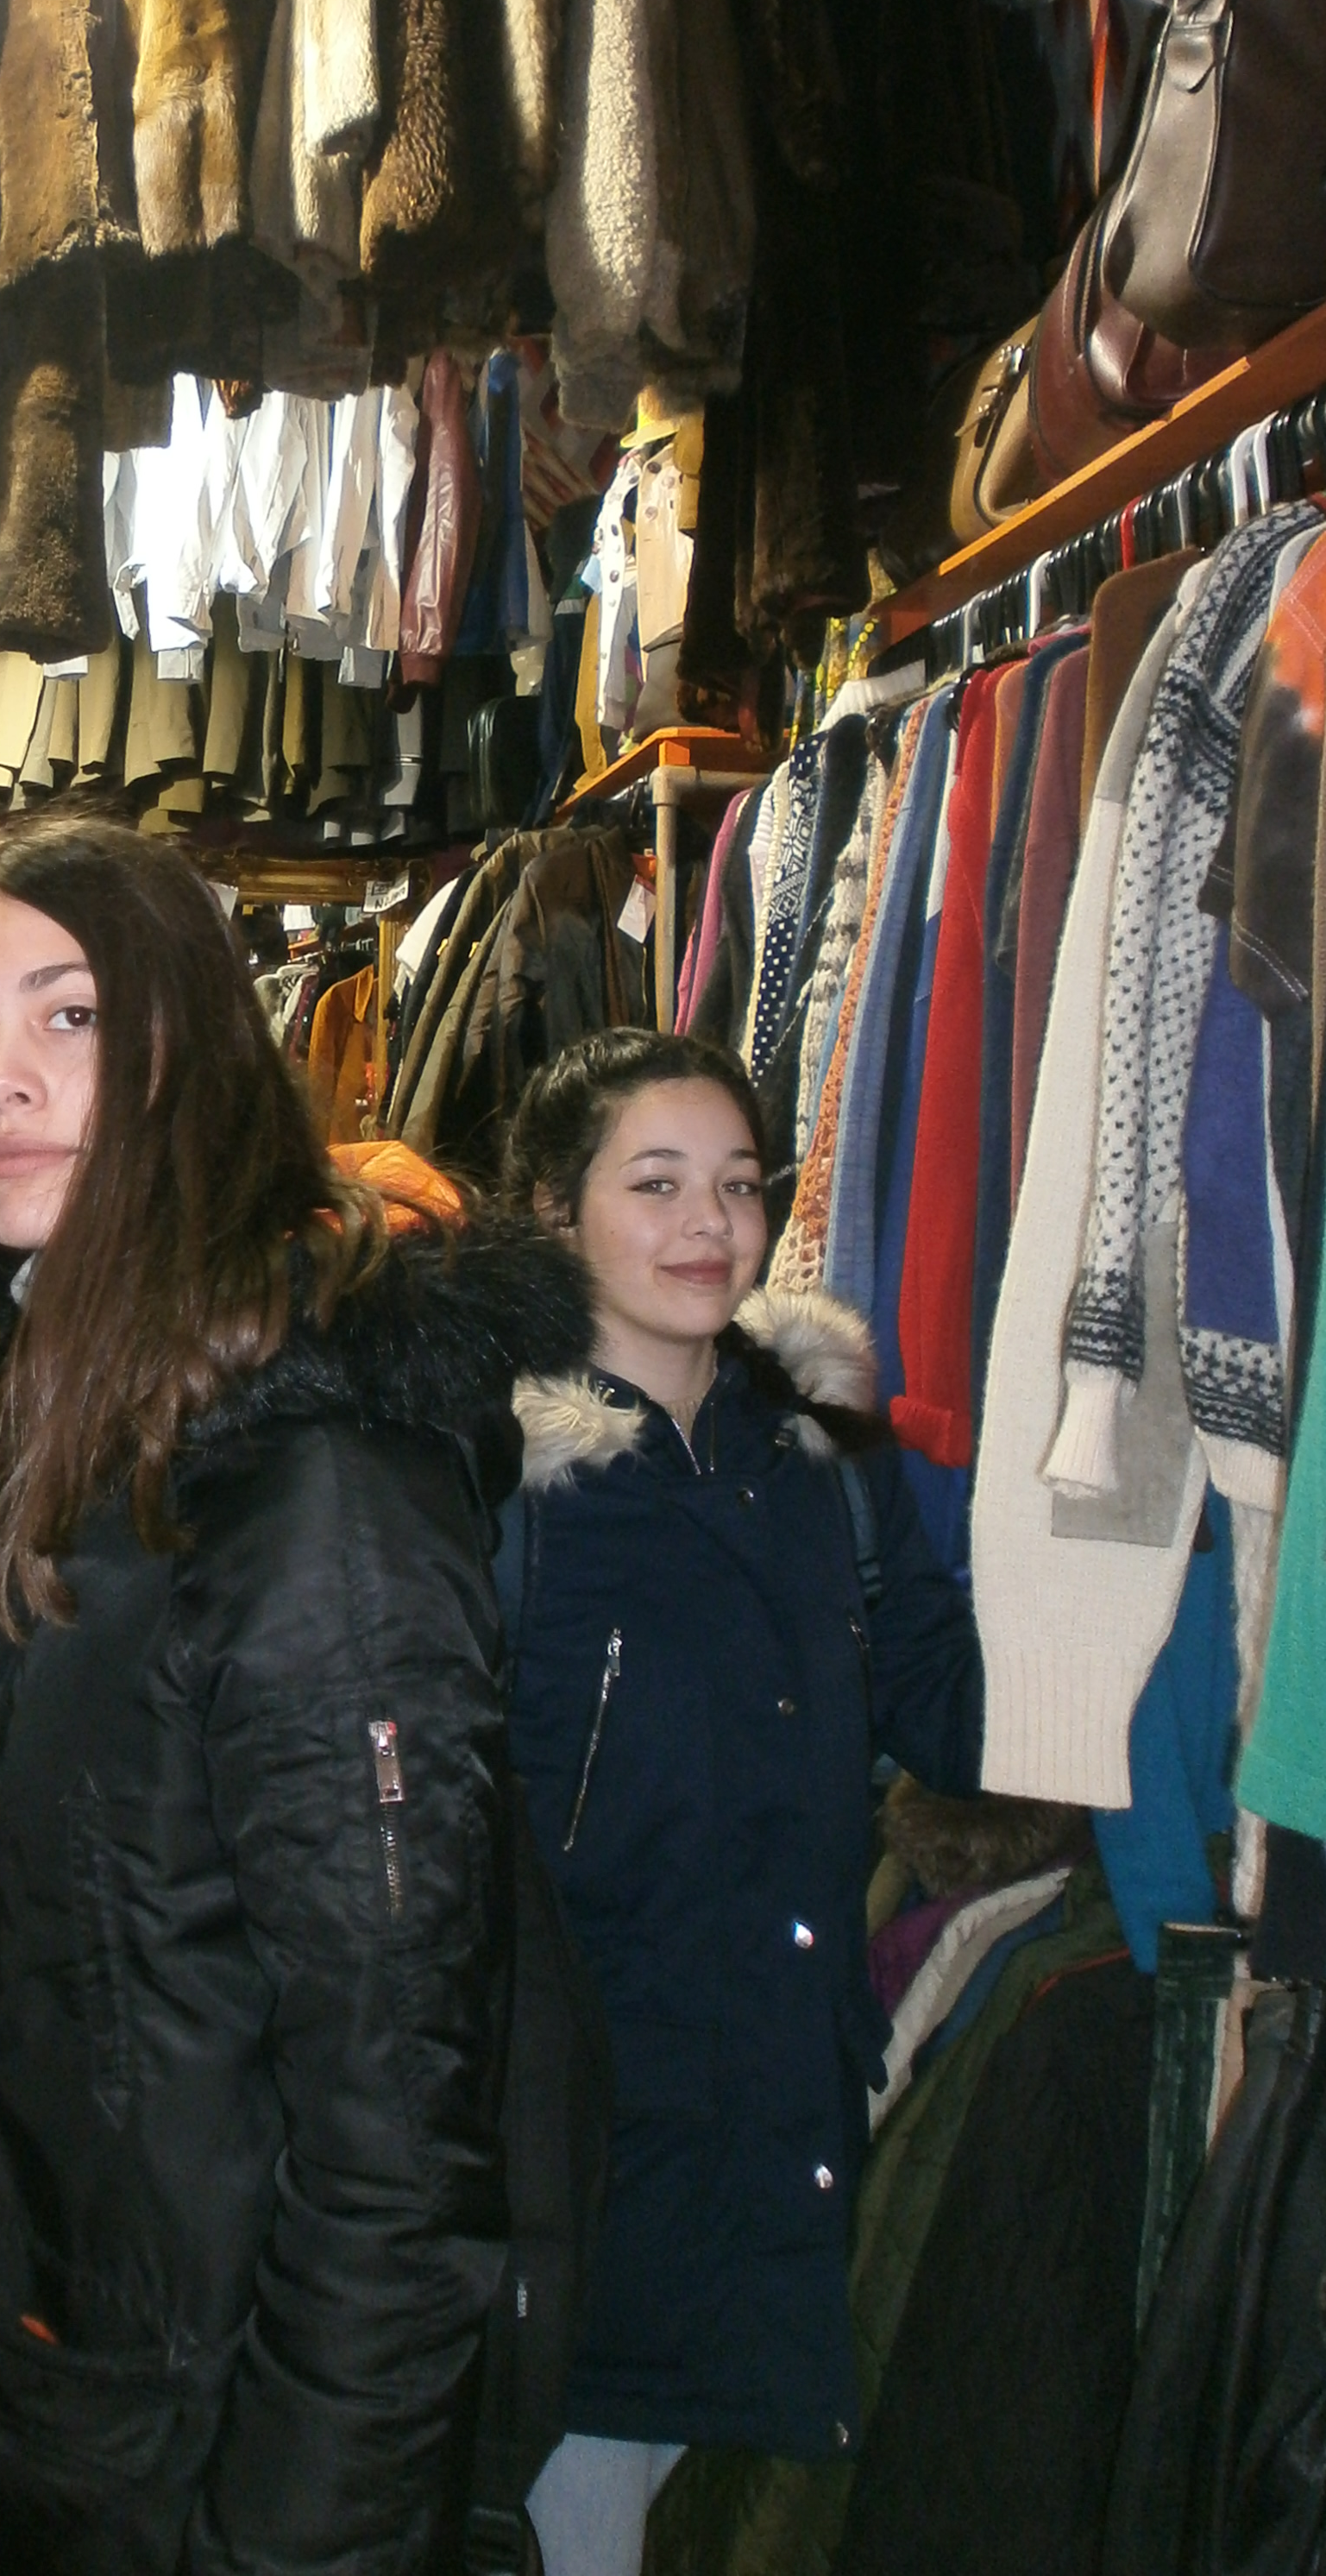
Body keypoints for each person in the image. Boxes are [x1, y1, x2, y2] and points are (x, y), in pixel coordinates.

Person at [0, 813, 596, 2576]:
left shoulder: (317, 1497)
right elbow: (38, 1751)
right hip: (5, 2416)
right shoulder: (88, 1410)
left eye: (68, 1016)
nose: (0, 1081)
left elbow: (399, 2166)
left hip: (164, 2476)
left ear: (191, 1051)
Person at [499, 1030, 985, 2576]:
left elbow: (953, 1705)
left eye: (739, 1185)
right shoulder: (488, 1485)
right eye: (656, 1185)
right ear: (553, 1209)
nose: (711, 1225)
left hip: (782, 2142)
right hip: (583, 2173)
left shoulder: (823, 1459)